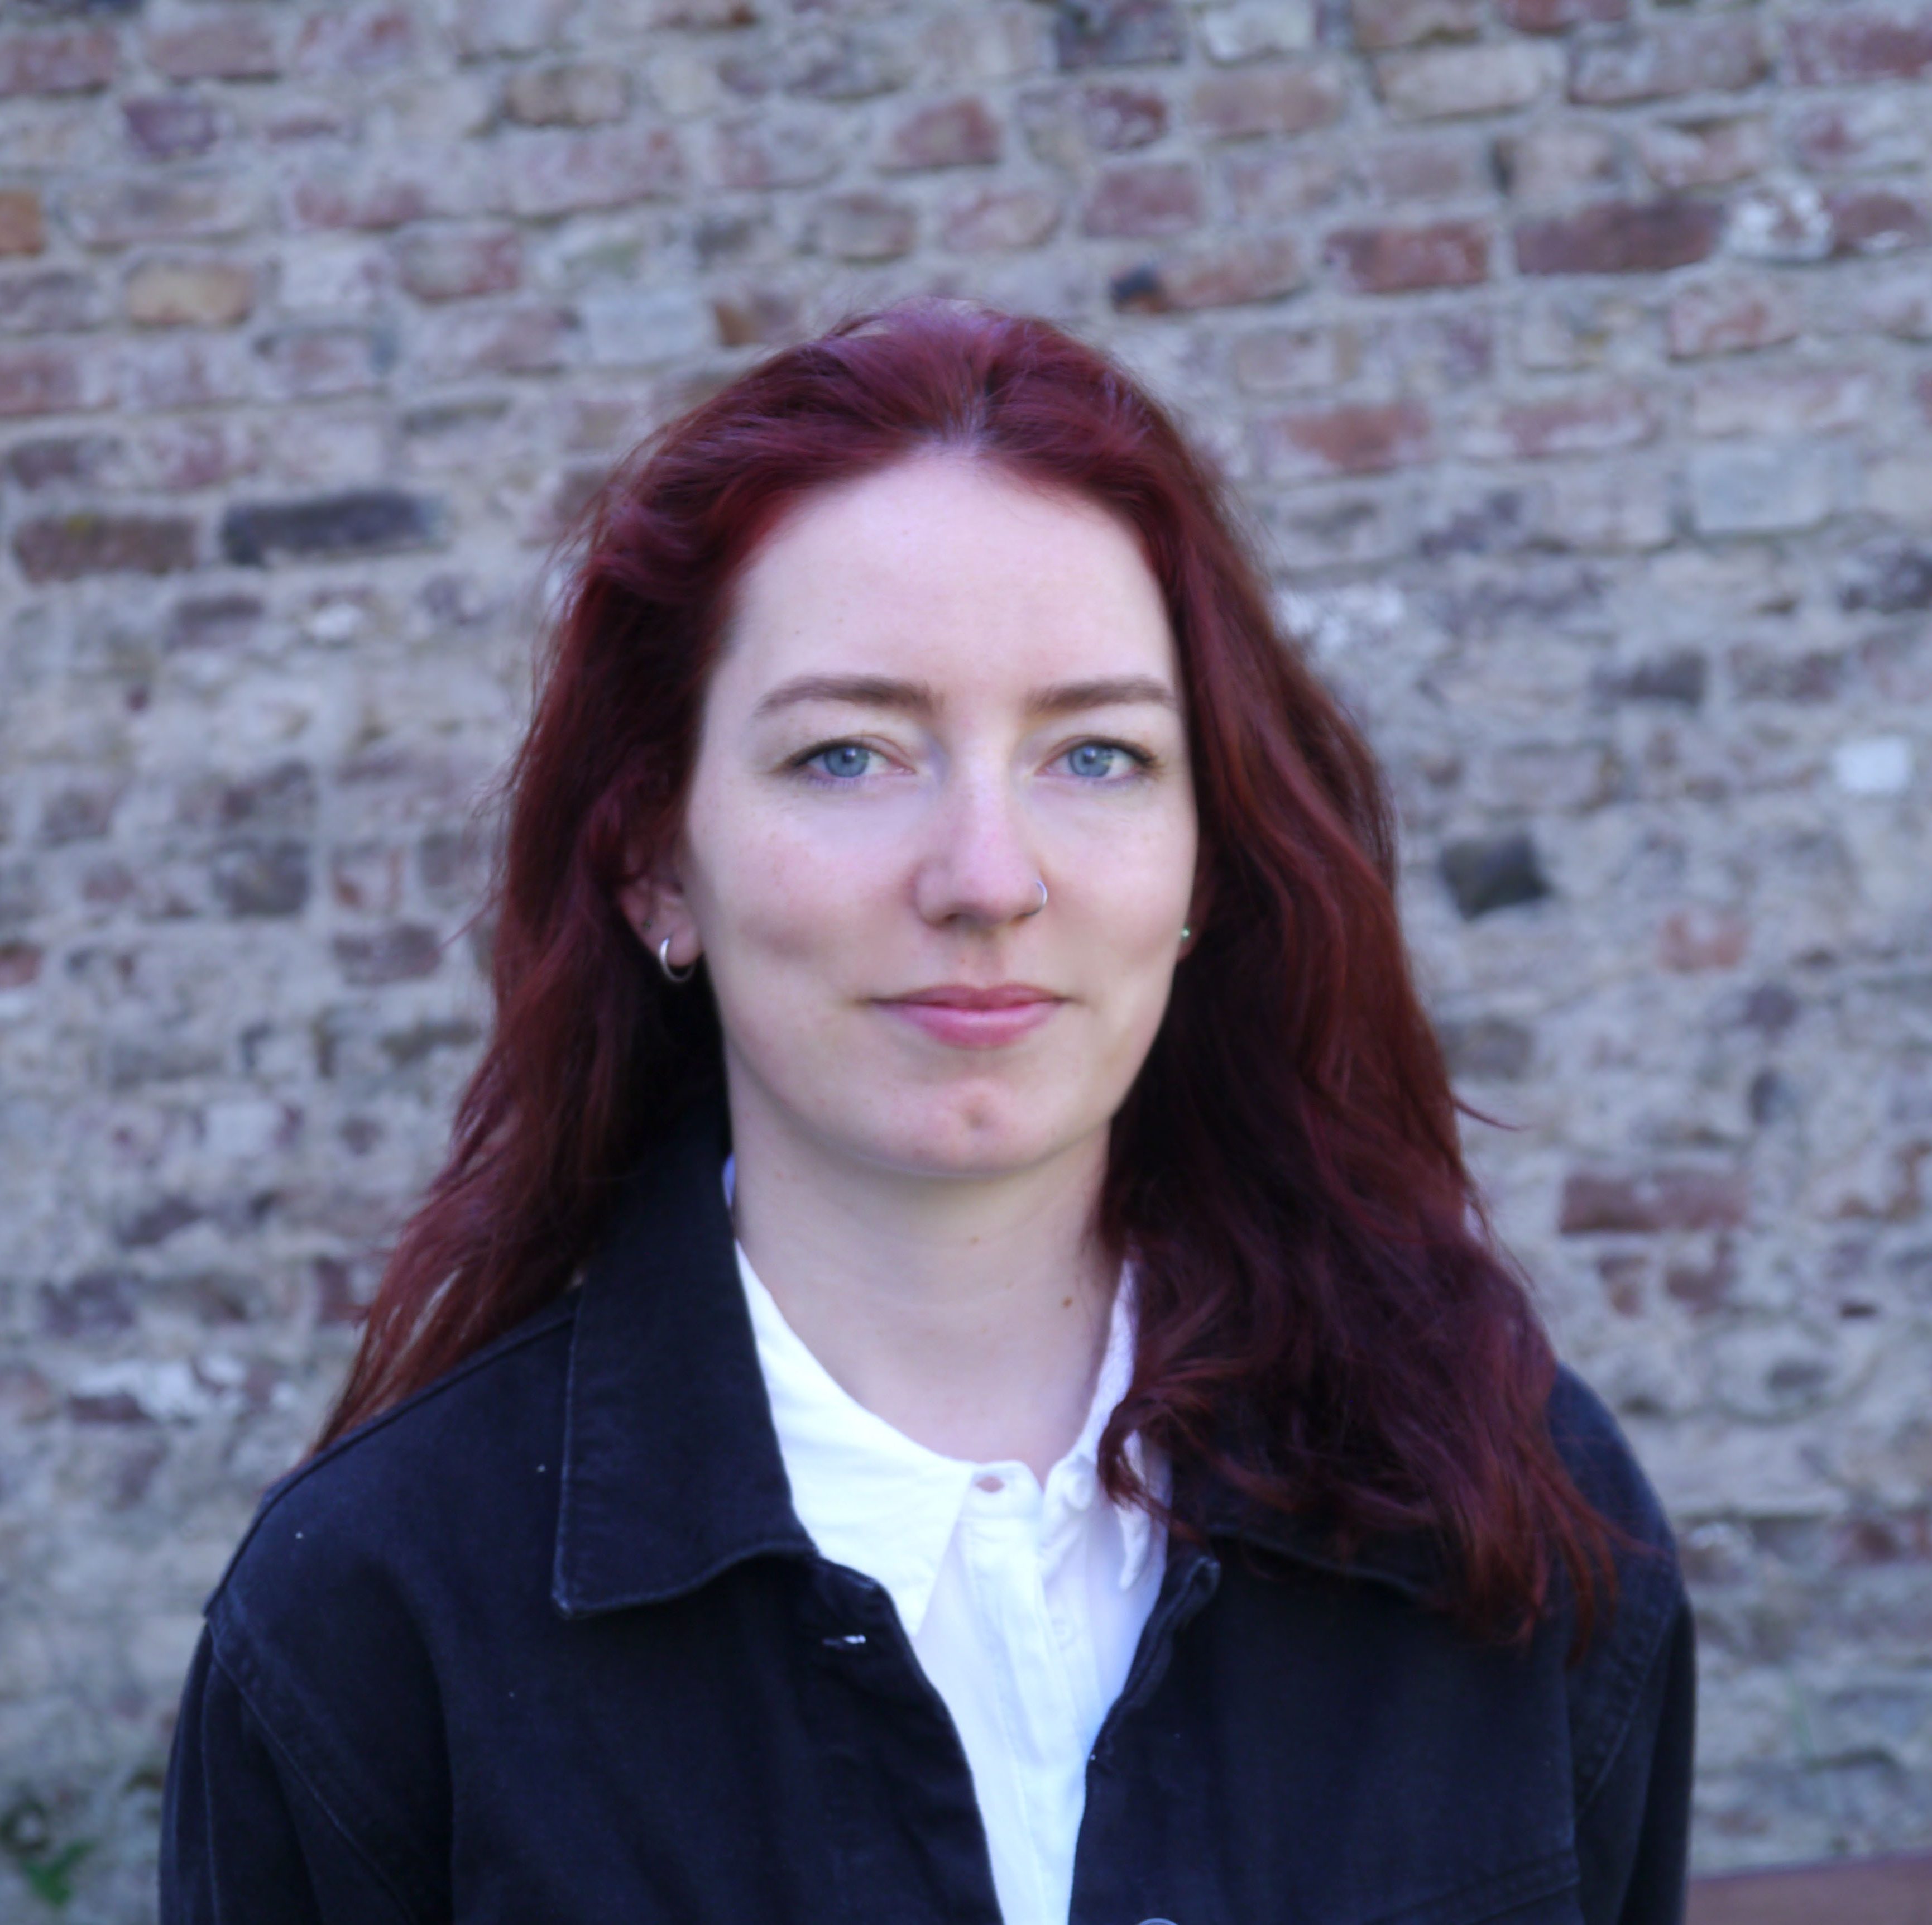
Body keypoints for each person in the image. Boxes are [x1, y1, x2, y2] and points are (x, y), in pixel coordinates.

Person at [160, 300, 1694, 1925]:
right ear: (656, 859)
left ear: (1208, 856)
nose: (985, 878)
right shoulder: (375, 1623)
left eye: (1096, 756)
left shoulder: (1513, 1511)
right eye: (848, 756)